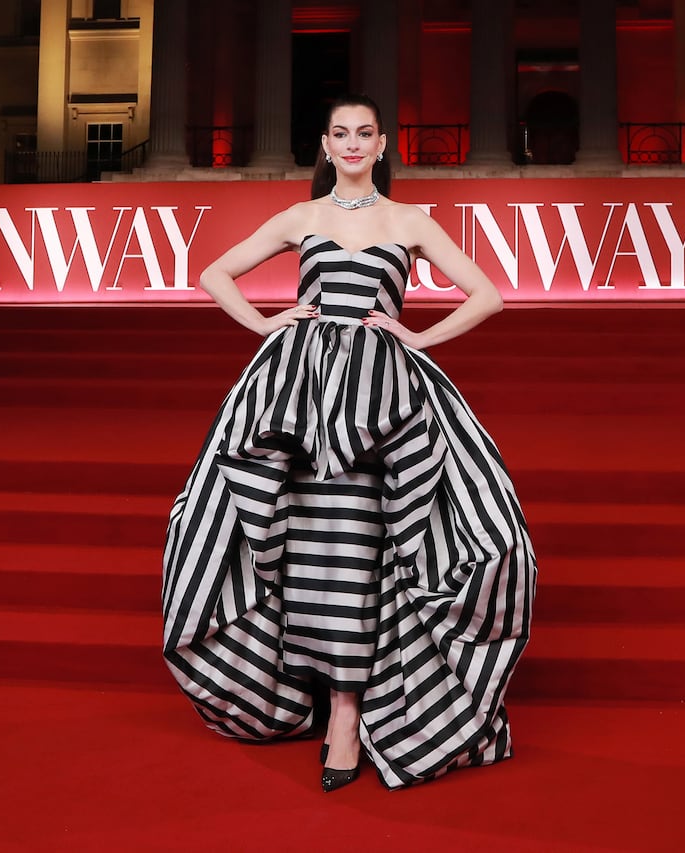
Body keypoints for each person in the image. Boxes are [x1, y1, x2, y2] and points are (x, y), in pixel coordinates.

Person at [161, 94, 537, 793]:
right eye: (341, 133)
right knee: (309, 539)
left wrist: (417, 339)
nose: (354, 143)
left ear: (383, 144)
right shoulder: (303, 217)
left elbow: (488, 295)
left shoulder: (410, 221)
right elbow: (214, 273)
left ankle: (348, 709)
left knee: (368, 542)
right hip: (298, 398)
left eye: (365, 133)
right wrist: (268, 323)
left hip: (382, 402)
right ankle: (323, 697)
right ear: (327, 147)